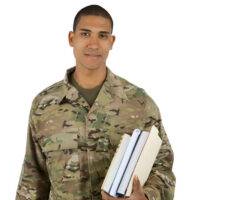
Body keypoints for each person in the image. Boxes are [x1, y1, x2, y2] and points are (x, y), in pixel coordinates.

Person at [15, 4, 175, 200]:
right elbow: (33, 178)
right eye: (85, 34)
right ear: (71, 39)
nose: (93, 44)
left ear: (111, 41)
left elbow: (163, 167)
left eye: (102, 35)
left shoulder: (139, 103)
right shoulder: (44, 105)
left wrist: (148, 196)